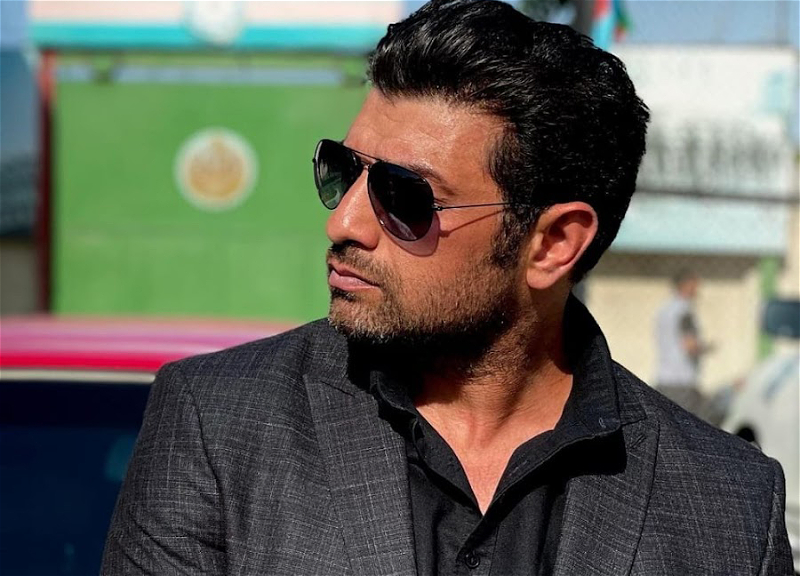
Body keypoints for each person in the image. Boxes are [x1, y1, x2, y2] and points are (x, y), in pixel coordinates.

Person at [102, 1, 793, 574]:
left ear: (553, 243)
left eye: (404, 196)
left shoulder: (730, 505)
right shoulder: (219, 425)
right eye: (343, 170)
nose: (344, 223)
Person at [655, 270, 719, 423]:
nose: (698, 290)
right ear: (685, 285)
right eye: (695, 285)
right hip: (682, 380)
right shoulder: (684, 312)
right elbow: (690, 345)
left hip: (664, 378)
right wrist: (707, 347)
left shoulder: (665, 310)